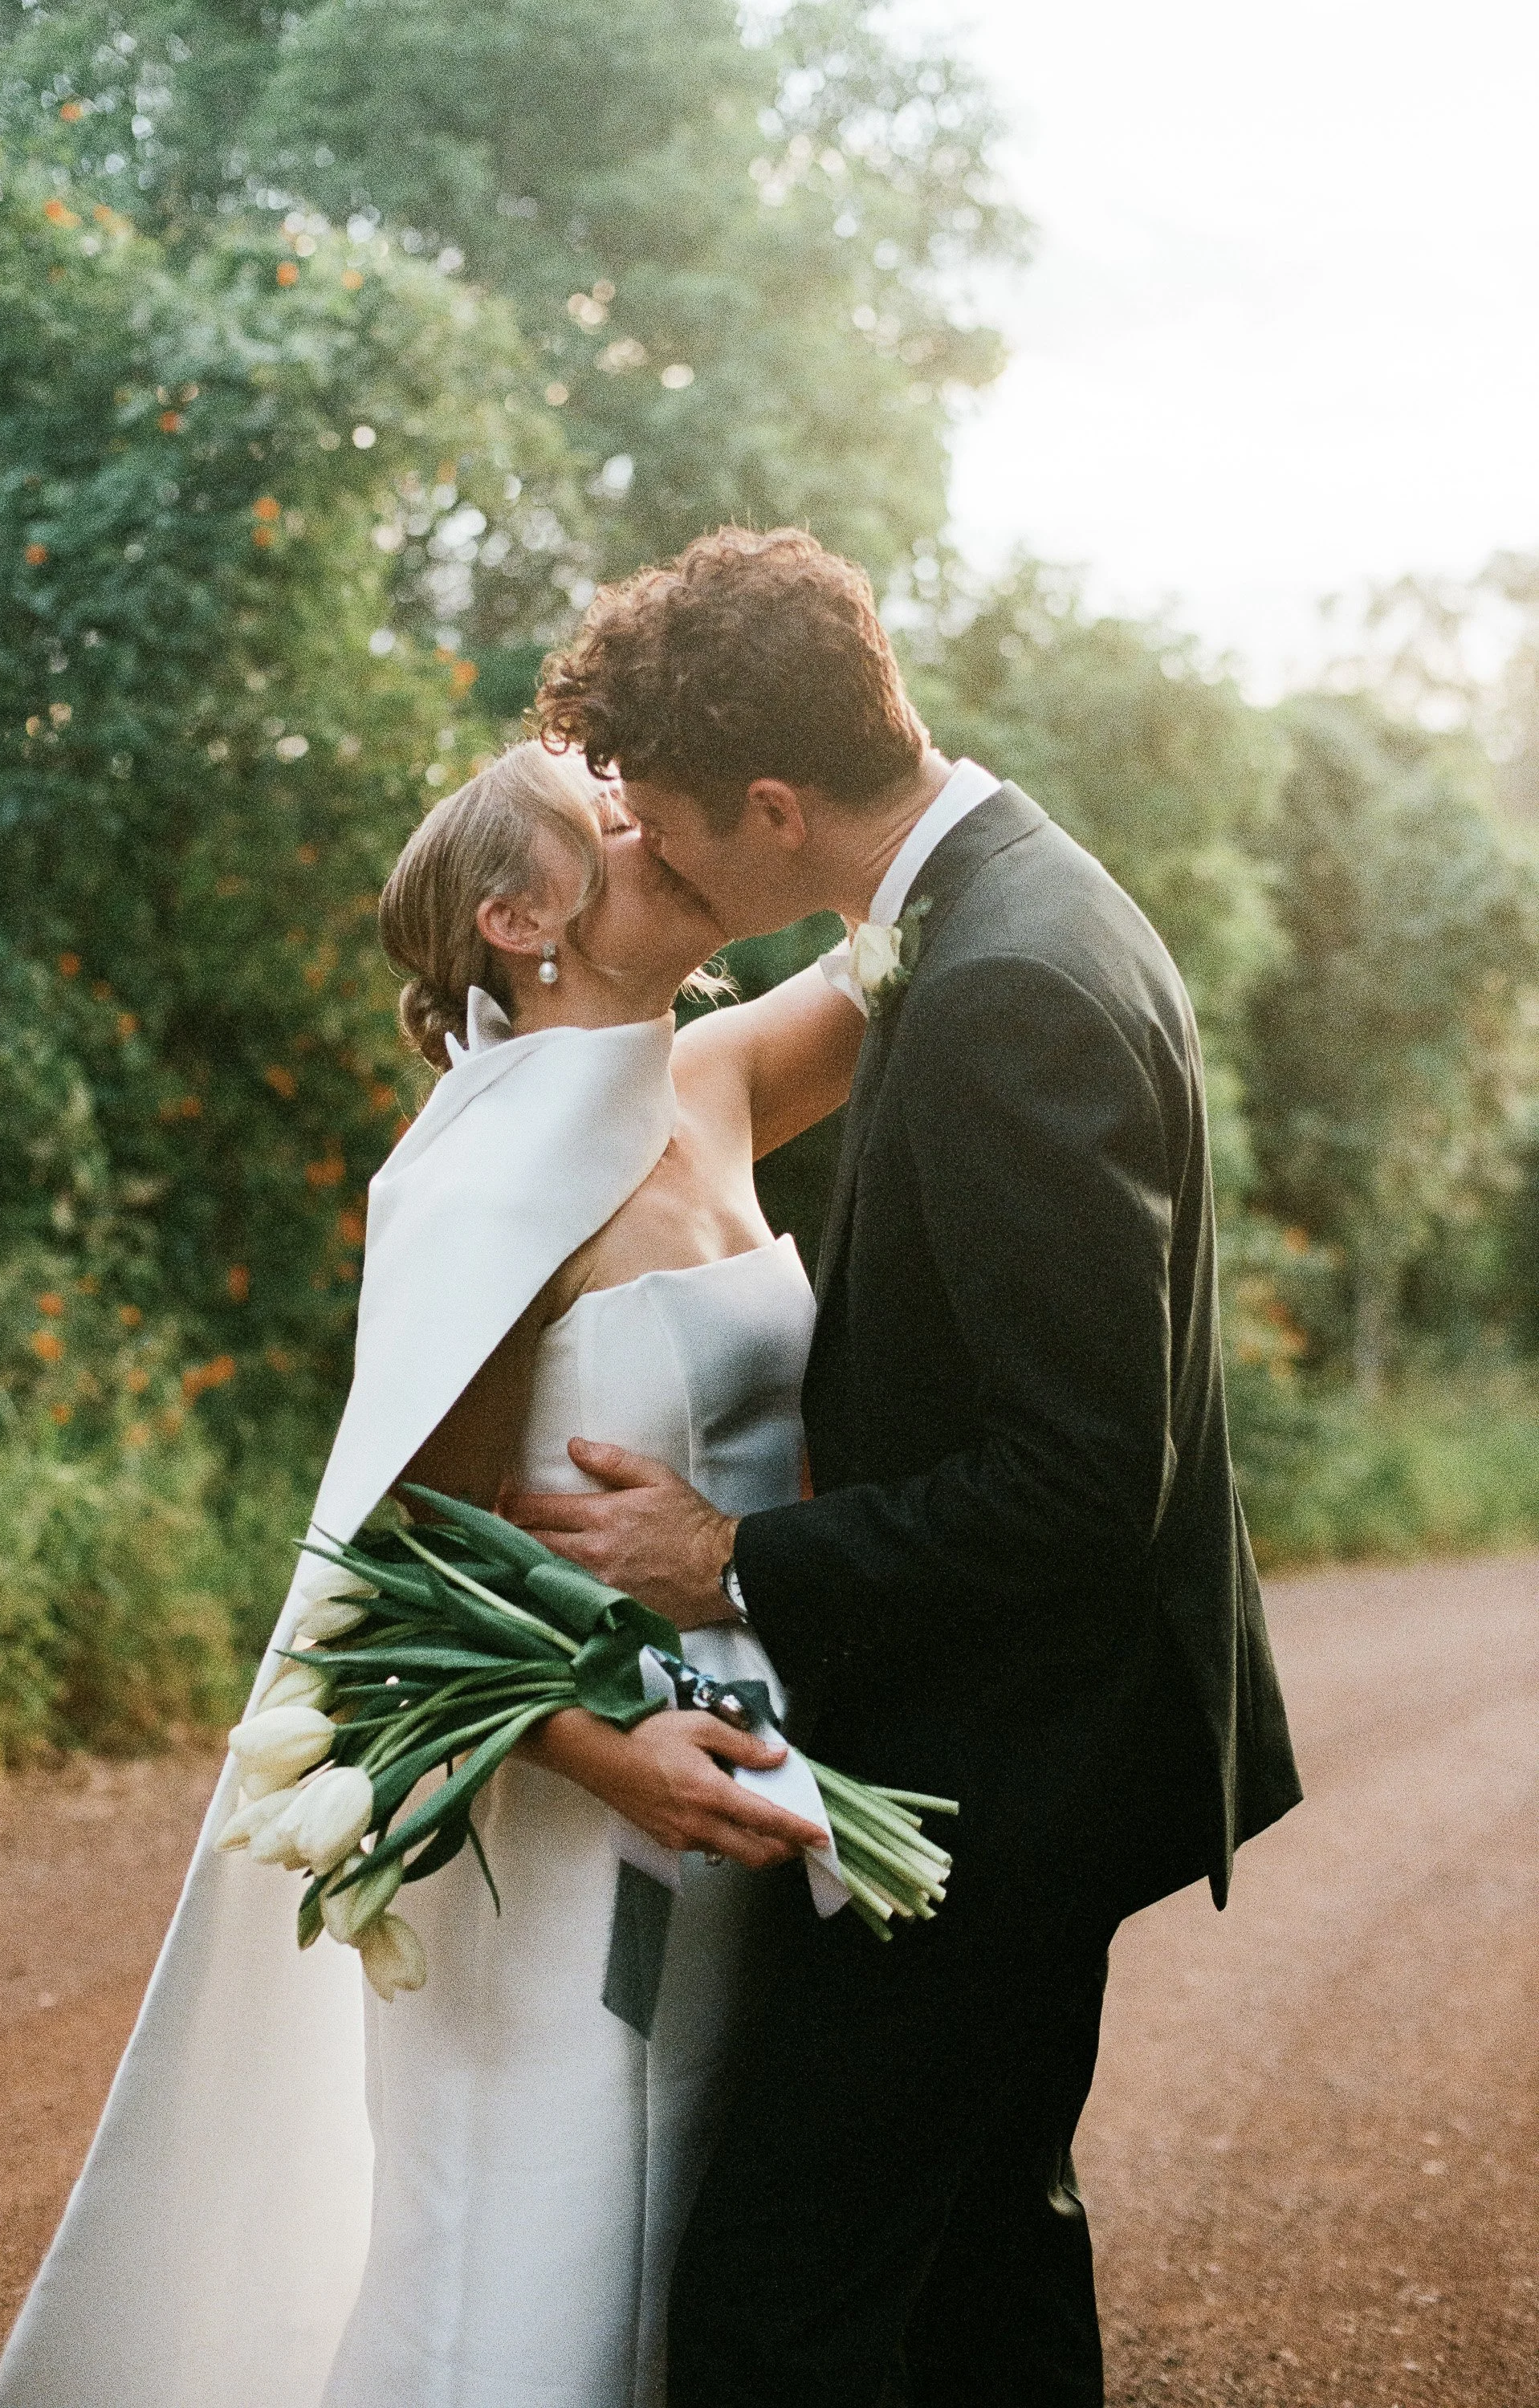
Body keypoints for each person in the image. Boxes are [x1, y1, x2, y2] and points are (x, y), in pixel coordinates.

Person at [508, 525, 1305, 2408]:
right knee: (976, 2268)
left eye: (677, 824)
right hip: (1031, 1738)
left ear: (773, 806)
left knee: (784, 2307)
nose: (664, 861)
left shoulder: (1006, 984)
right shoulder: (1009, 904)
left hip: (1001, 1774)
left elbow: (1084, 1481)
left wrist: (729, 1559)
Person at [0, 738, 865, 2408]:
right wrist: (624, 1761)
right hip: (569, 1817)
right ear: (522, 914)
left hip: (738, 1785)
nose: (650, 805)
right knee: (540, 2262)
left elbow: (904, 912)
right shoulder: (477, 1184)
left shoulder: (716, 1076)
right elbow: (401, 1587)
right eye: (604, 806)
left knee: (685, 2242)